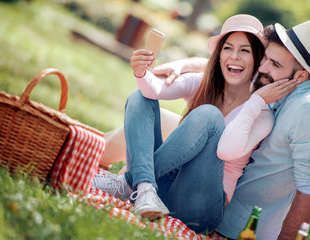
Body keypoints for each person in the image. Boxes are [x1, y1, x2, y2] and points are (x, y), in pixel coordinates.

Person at [92, 14, 298, 234]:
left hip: (201, 209)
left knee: (210, 116)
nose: (234, 57)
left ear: (258, 59)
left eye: (244, 50)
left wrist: (255, 101)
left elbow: (226, 150)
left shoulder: (261, 114)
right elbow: (155, 90)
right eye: (227, 48)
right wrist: (141, 71)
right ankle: (144, 187)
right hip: (163, 190)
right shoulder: (203, 84)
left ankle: (129, 183)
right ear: (219, 56)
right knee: (139, 97)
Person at [154, 20, 310, 239]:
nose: (262, 68)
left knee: (205, 118)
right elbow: (231, 66)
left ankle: (135, 181)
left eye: (274, 64)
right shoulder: (278, 80)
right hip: (212, 198)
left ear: (300, 76)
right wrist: (183, 66)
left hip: (239, 228)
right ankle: (136, 181)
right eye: (265, 58)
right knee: (157, 110)